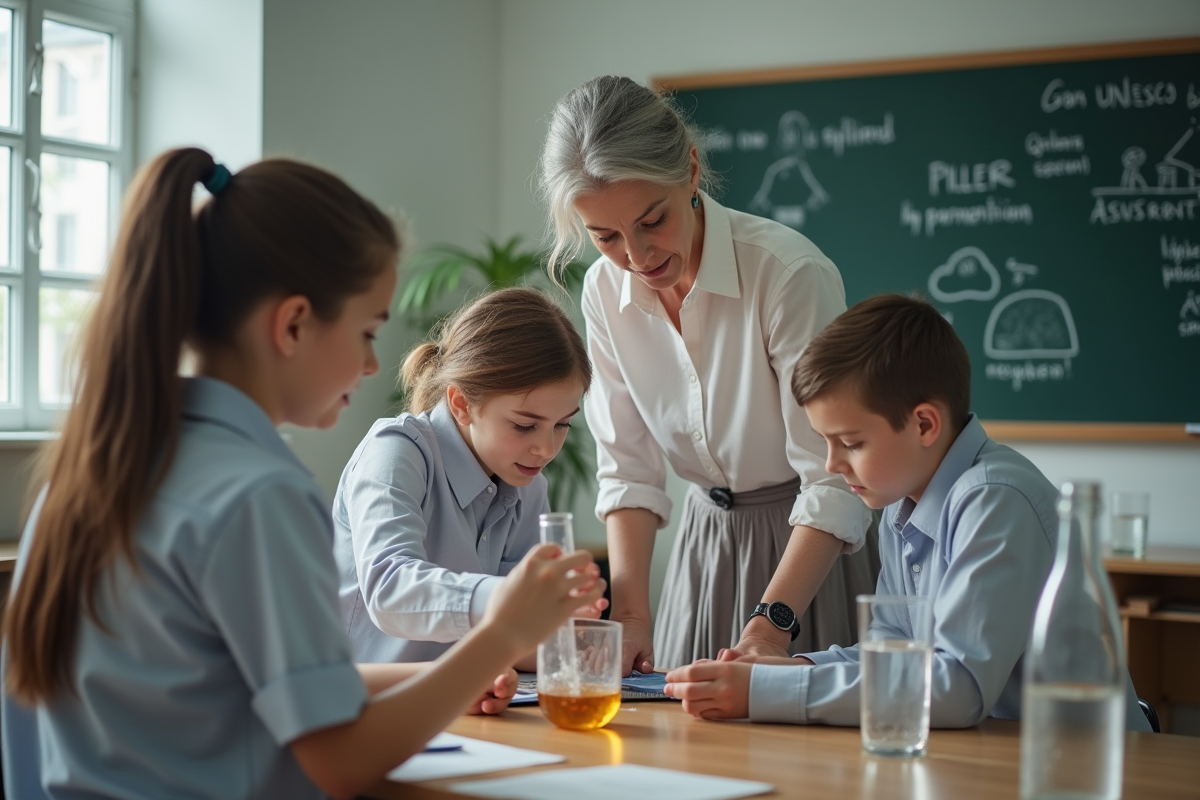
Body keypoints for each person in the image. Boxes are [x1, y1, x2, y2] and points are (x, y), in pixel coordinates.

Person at [0, 148, 605, 800]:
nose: (375, 367)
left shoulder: (100, 462)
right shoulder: (260, 495)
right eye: (369, 332)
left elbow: (241, 688)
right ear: (293, 325)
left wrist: (458, 672)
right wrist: (504, 634)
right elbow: (341, 763)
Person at [662, 294, 1151, 732]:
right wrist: (788, 669)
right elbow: (891, 656)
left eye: (851, 443)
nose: (832, 464)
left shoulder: (996, 499)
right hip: (993, 755)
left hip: (1080, 767)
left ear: (923, 424)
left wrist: (765, 694)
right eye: (825, 443)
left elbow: (958, 690)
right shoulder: (901, 500)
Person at [539, 75, 879, 673]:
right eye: (606, 237)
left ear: (691, 171)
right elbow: (629, 469)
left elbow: (833, 478)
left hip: (807, 554)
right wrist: (633, 616)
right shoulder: (602, 289)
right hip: (704, 547)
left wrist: (772, 626)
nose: (638, 257)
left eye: (652, 221)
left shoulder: (786, 273)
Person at [334, 286, 602, 666]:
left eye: (562, 425)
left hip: (456, 702)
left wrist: (572, 640)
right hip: (360, 707)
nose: (547, 449)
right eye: (525, 426)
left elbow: (512, 636)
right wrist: (512, 596)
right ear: (461, 404)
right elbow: (390, 590)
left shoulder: (528, 486)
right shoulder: (395, 452)